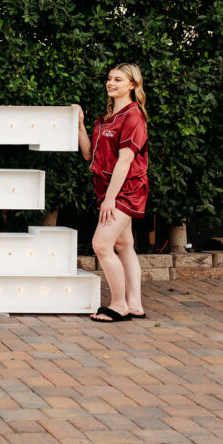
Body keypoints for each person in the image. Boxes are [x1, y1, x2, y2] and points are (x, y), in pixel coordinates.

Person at [75, 63, 149, 323]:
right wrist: (81, 125)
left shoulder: (133, 116)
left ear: (132, 85)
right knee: (124, 244)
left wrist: (110, 199)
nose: (111, 83)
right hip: (107, 188)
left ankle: (119, 305)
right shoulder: (105, 119)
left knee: (101, 244)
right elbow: (88, 154)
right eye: (109, 79)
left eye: (118, 79)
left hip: (126, 190)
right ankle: (135, 304)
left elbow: (126, 160)